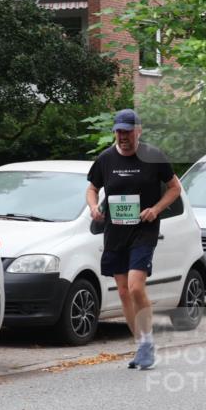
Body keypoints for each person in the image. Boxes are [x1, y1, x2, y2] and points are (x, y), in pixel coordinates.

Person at [86, 109, 181, 369]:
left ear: (138, 131)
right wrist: (93, 207)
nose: (123, 136)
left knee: (136, 286)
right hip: (115, 232)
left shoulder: (153, 157)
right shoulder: (106, 159)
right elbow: (92, 188)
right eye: (119, 131)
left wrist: (156, 209)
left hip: (143, 230)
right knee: (124, 292)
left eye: (127, 131)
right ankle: (141, 345)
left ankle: (148, 341)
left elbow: (174, 188)